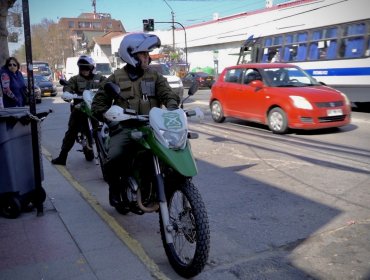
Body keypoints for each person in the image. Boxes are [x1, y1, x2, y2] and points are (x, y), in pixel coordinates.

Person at [91, 33, 180, 207]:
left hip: (153, 127)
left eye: (148, 53)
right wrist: (111, 121)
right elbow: (98, 105)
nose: (148, 57)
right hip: (126, 127)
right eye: (144, 53)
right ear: (131, 55)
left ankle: (162, 190)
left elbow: (167, 94)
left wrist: (172, 108)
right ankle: (115, 188)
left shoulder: (154, 76)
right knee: (114, 158)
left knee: (174, 153)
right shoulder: (116, 77)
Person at [51, 55, 106, 165]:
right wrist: (67, 93)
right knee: (71, 131)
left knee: (107, 127)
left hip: (95, 109)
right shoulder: (75, 79)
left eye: (87, 68)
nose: (84, 70)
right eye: (82, 68)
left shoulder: (100, 78)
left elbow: (108, 85)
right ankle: (62, 156)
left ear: (91, 68)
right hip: (80, 109)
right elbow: (68, 87)